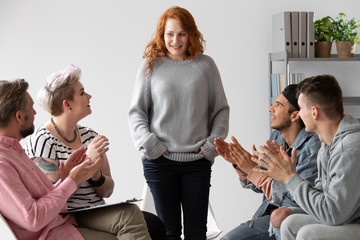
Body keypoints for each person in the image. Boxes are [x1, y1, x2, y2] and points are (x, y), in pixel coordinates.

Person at [128, 6, 229, 240]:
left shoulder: (206, 65)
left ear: (191, 34)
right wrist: (148, 142)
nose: (175, 40)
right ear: (162, 35)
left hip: (197, 162)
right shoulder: (151, 65)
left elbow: (221, 110)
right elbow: (136, 112)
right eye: (170, 34)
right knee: (169, 232)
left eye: (181, 34)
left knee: (197, 233)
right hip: (160, 163)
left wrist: (213, 143)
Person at [25, 65, 154, 240]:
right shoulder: (43, 140)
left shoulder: (90, 136)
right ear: (67, 104)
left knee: (146, 221)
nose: (89, 96)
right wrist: (87, 163)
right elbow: (50, 199)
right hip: (67, 215)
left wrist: (95, 175)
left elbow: (107, 191)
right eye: (82, 92)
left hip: (95, 210)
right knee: (129, 215)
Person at [251, 75, 360, 240]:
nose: (299, 115)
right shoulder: (327, 144)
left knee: (307, 234)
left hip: (352, 221)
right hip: (346, 217)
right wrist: (290, 179)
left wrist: (290, 178)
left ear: (314, 112)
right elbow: (322, 196)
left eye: (301, 109)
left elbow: (333, 214)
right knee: (290, 223)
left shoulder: (348, 148)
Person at [0, 78, 111, 239]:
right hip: (56, 234)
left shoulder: (15, 151)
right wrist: (72, 180)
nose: (36, 112)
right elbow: (33, 218)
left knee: (144, 221)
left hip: (66, 226)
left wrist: (65, 179)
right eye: (31, 107)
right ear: (19, 116)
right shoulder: (3, 163)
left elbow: (45, 200)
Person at [215, 84, 321, 240]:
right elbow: (263, 188)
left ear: (294, 115)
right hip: (268, 215)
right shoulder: (277, 137)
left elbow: (294, 200)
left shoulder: (313, 147)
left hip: (292, 218)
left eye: (278, 105)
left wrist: (252, 170)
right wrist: (241, 165)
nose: (270, 108)